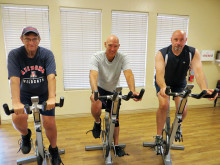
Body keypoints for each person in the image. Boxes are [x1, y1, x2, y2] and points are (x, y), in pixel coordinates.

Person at [154, 30, 218, 154]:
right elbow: (159, 74)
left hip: (179, 83)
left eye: (181, 40)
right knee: (164, 105)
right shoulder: (162, 53)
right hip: (163, 83)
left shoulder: (192, 52)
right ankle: (158, 136)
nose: (178, 43)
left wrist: (204, 89)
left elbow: (199, 72)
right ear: (171, 40)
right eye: (176, 40)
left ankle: (176, 127)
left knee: (182, 110)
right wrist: (162, 87)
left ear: (185, 40)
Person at [7, 26, 63, 165]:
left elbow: (51, 77)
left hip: (44, 94)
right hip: (24, 94)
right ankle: (26, 136)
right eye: (27, 39)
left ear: (39, 40)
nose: (31, 42)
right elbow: (14, 79)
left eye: (34, 39)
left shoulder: (46, 54)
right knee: (18, 118)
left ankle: (54, 149)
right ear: (22, 39)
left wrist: (51, 98)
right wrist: (16, 102)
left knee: (49, 123)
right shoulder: (15, 55)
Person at [89, 35, 141, 157]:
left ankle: (116, 146)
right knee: (95, 102)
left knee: (115, 119)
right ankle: (97, 122)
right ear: (105, 44)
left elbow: (128, 74)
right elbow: (93, 74)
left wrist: (133, 91)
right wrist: (94, 92)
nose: (113, 49)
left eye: (115, 46)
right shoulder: (97, 57)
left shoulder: (122, 57)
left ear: (118, 46)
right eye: (110, 45)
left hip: (114, 90)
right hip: (100, 89)